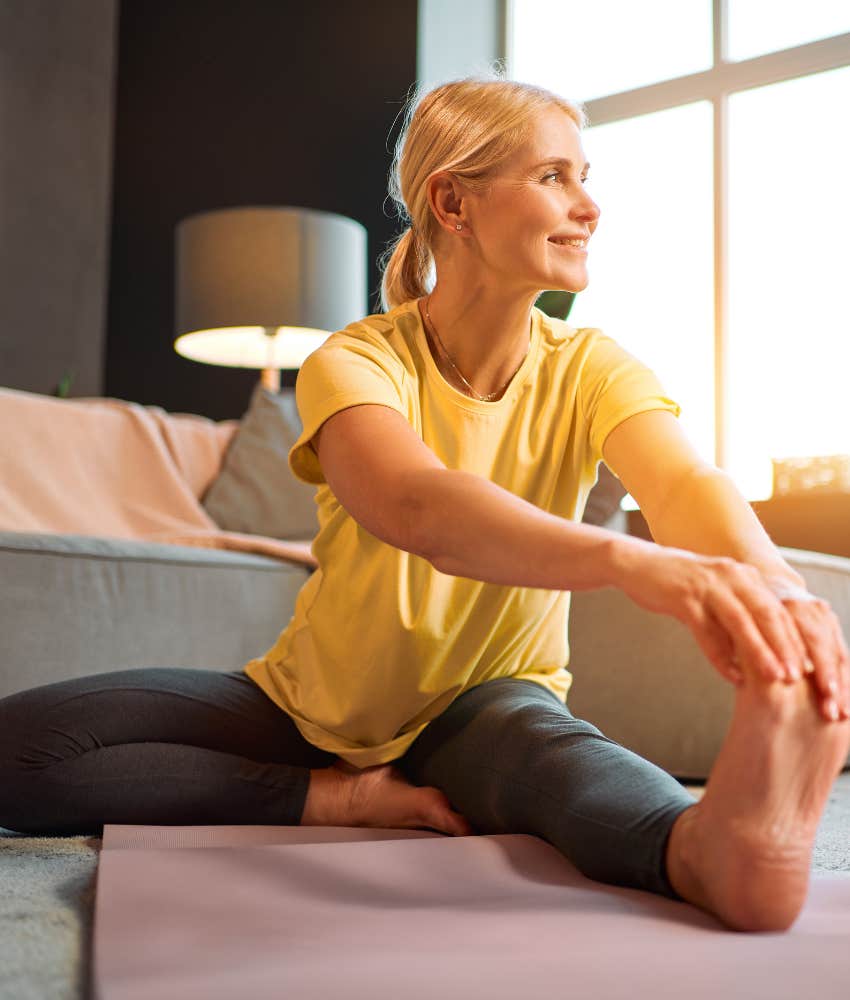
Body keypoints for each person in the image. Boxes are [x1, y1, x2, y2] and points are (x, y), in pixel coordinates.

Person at [1, 72, 848, 935]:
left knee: (552, 758)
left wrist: (777, 584)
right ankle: (332, 799)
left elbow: (682, 484)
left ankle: (711, 849)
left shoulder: (593, 366)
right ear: (453, 202)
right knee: (16, 750)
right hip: (309, 709)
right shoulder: (359, 360)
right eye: (555, 176)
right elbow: (418, 506)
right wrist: (636, 563)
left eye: (586, 176)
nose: (589, 206)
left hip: (486, 702)